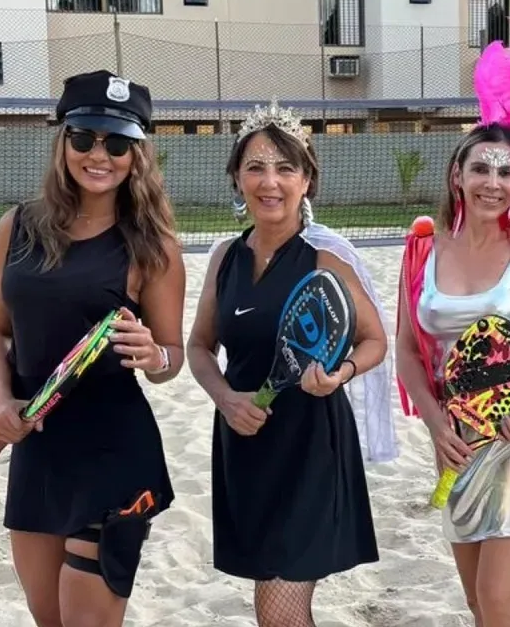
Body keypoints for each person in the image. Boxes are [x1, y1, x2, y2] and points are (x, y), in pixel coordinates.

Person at [0, 70, 185, 626]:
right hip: (39, 448)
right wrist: (2, 403)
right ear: (62, 140)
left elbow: (172, 355)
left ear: (137, 154)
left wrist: (154, 355)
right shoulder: (16, 226)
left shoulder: (153, 245)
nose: (100, 154)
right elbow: (0, 333)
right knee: (49, 618)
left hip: (114, 451)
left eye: (118, 142)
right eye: (85, 137)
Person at [186, 99, 397, 627]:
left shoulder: (325, 256)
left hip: (309, 445)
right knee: (270, 598)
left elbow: (374, 341)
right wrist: (225, 398)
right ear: (237, 178)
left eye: (286, 168)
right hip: (245, 439)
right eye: (255, 167)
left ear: (307, 180)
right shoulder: (225, 257)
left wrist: (341, 374)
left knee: (277, 607)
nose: (269, 181)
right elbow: (199, 347)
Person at [395, 31, 510, 627]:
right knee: (477, 601)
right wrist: (432, 419)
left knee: (501, 598)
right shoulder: (423, 249)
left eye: (506, 172)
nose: (492, 183)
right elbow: (404, 348)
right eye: (481, 168)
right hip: (454, 434)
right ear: (458, 175)